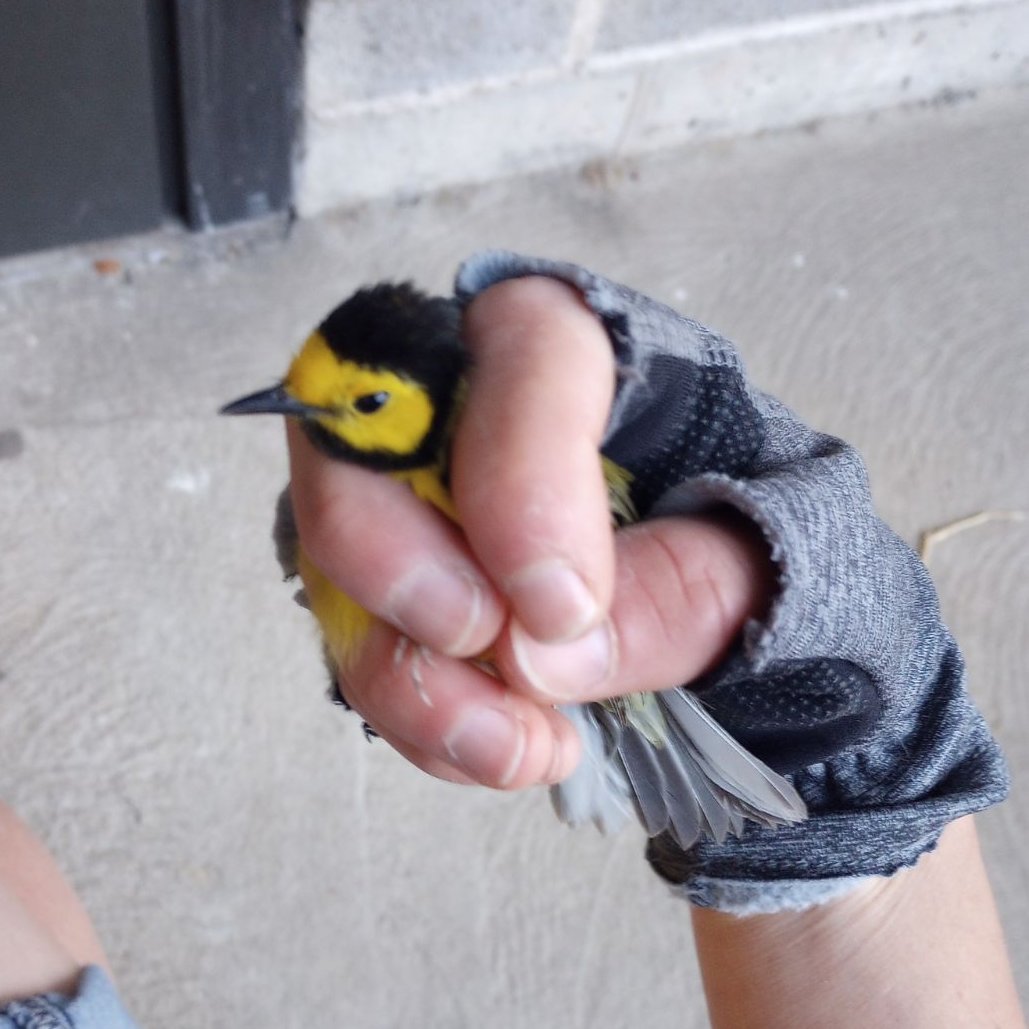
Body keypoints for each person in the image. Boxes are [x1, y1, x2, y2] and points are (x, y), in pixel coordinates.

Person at [3, 263, 1023, 1027]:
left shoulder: (473, 455)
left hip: (632, 696)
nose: (304, 412)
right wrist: (859, 780)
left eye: (355, 403)